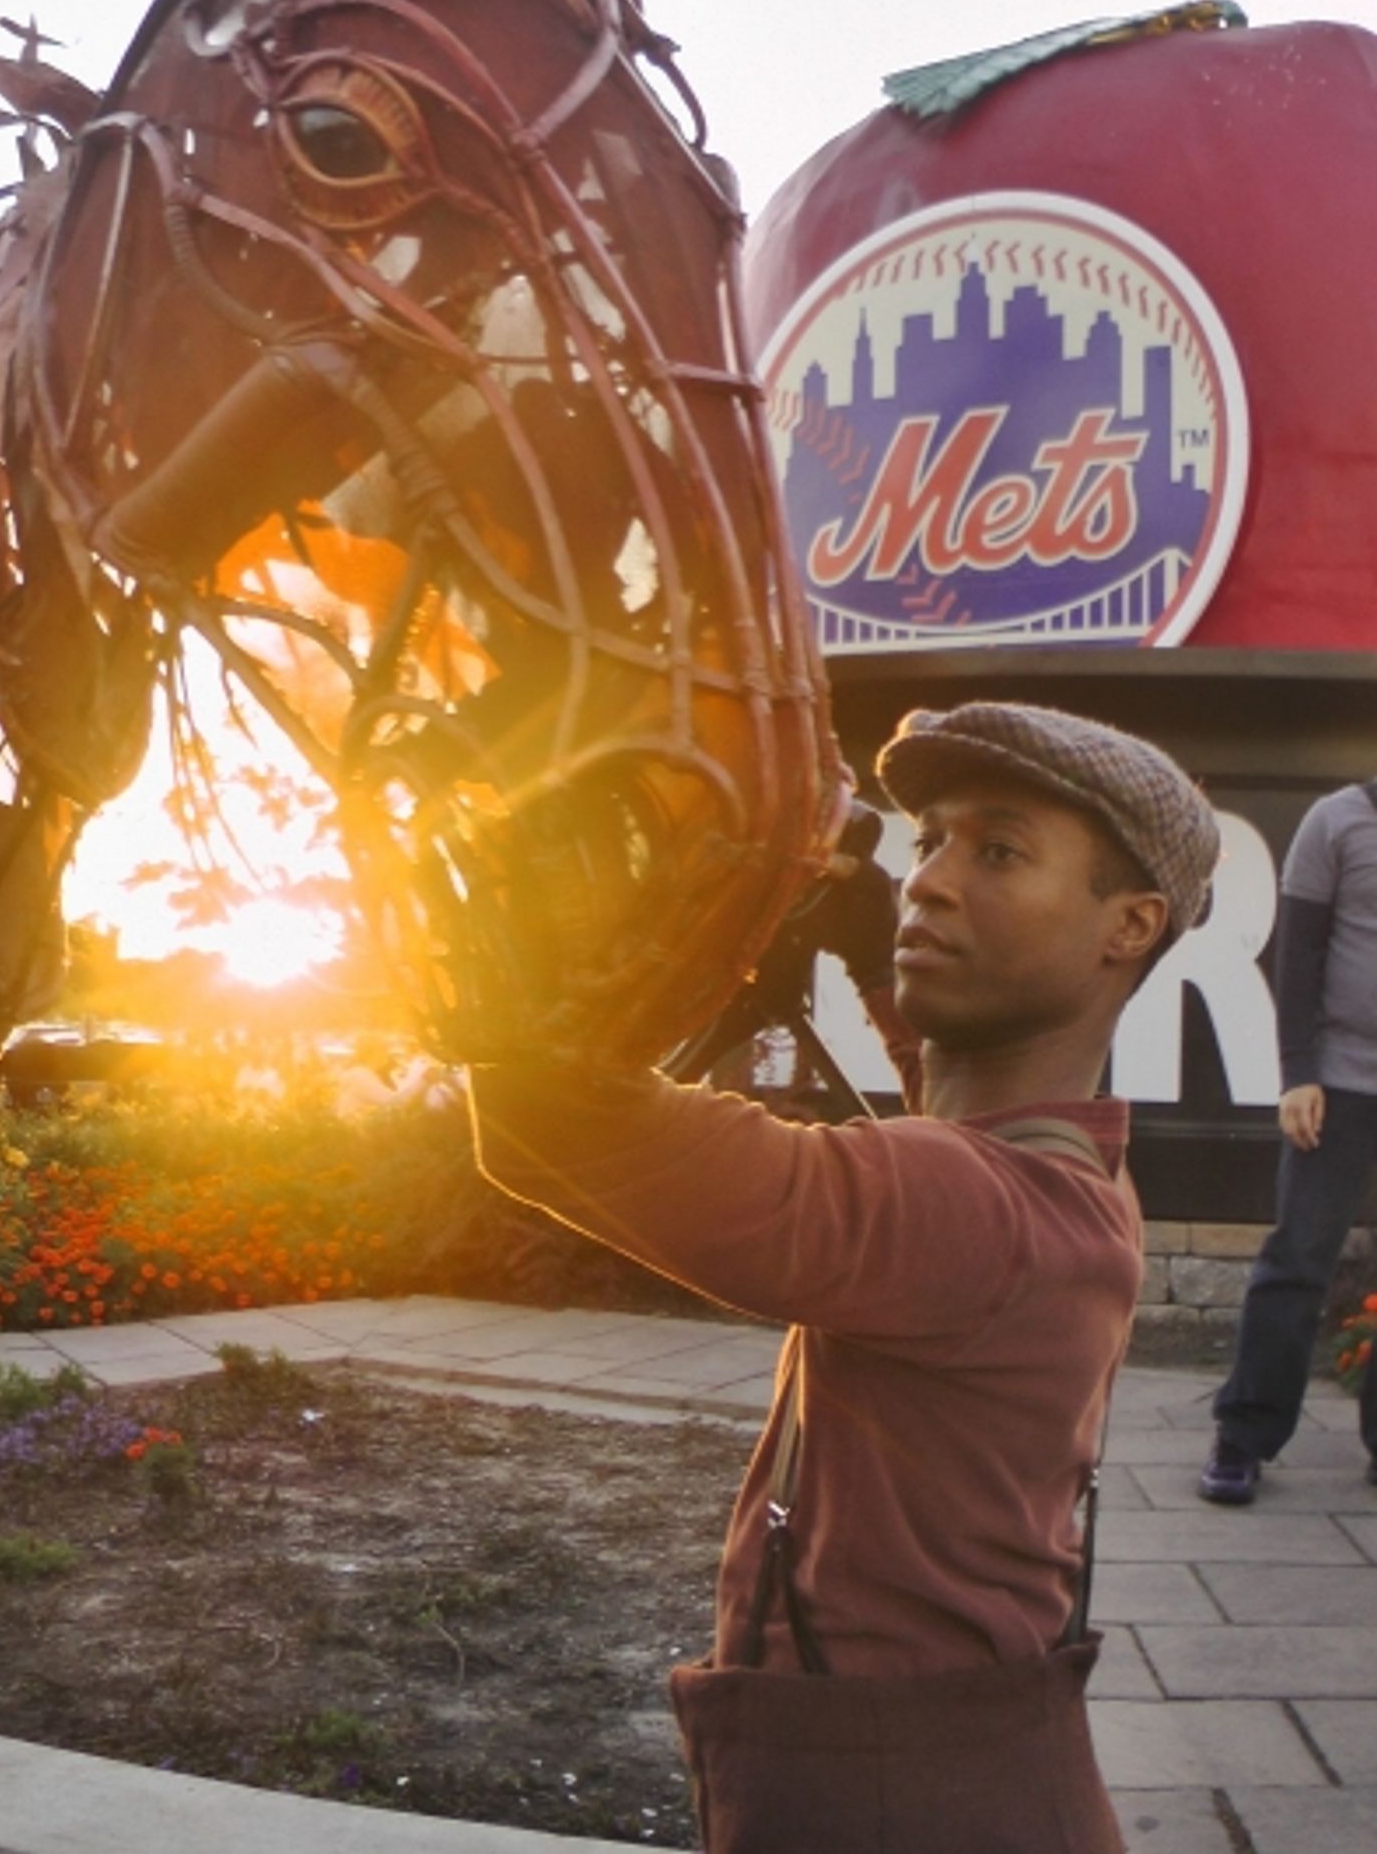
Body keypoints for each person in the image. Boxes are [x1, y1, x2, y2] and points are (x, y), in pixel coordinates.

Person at [469, 700, 1219, 1854]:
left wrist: (563, 895)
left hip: (888, 1804)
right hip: (968, 1777)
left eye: (1000, 850)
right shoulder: (1071, 1171)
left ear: (1128, 925)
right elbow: (951, 1096)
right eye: (928, 844)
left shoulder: (974, 1210)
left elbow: (547, 1120)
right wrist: (873, 949)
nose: (929, 878)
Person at [1200, 779, 1377, 1505]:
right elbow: (1297, 955)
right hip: (1336, 1082)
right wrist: (1298, 1073)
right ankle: (1242, 1437)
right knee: (1298, 1259)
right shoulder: (1336, 821)